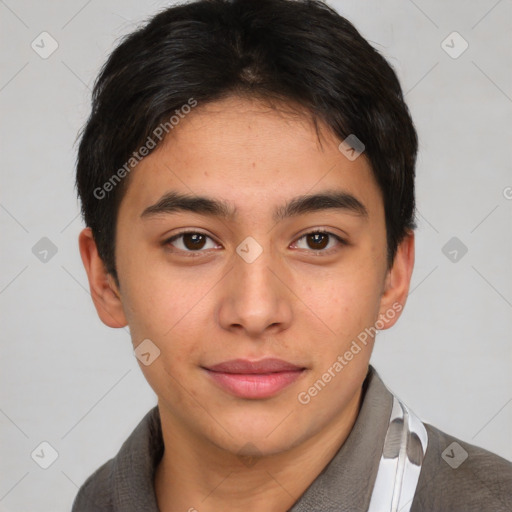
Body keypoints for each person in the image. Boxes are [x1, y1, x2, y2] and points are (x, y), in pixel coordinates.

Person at [72, 0, 512, 510]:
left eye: (317, 240)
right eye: (193, 241)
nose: (256, 311)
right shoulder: (98, 500)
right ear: (105, 276)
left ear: (394, 273)